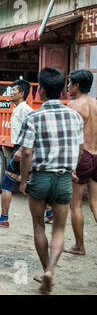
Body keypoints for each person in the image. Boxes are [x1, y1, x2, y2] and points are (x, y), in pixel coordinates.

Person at [18, 67, 84, 293]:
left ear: (41, 91)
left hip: (41, 177)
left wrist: (23, 180)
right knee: (59, 229)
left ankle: (45, 268)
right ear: (62, 91)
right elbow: (80, 149)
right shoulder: (74, 116)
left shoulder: (33, 117)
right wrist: (72, 169)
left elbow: (26, 152)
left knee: (38, 225)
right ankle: (51, 271)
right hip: (64, 178)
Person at [0, 79, 33, 227]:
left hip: (21, 149)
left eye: (14, 90)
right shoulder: (17, 108)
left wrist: (21, 149)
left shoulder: (26, 110)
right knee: (32, 182)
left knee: (7, 182)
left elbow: (33, 131)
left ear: (22, 93)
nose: (11, 93)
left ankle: (3, 219)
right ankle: (50, 212)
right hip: (20, 148)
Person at [63, 69, 97, 255]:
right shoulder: (96, 104)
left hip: (82, 157)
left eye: (70, 83)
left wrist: (70, 165)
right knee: (95, 203)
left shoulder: (73, 106)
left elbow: (70, 140)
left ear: (76, 85)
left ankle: (79, 246)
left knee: (75, 205)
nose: (68, 87)